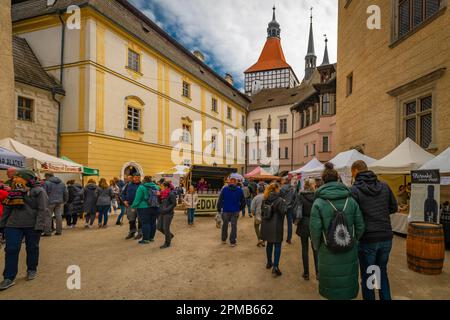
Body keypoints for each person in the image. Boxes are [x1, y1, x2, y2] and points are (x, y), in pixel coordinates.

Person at [310, 163, 365, 300]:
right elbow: (360, 226)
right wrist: (352, 239)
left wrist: (317, 247)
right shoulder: (351, 201)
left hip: (327, 250)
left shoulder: (318, 203)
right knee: (347, 286)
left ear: (323, 180)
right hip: (349, 249)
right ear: (338, 179)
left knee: (331, 289)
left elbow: (315, 231)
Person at [351, 160, 398, 301]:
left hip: (368, 239)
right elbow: (394, 207)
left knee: (369, 276)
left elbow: (353, 215)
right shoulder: (384, 186)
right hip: (385, 237)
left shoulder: (354, 190)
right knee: (381, 272)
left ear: (355, 171)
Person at [0, 170, 50, 291]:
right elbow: (7, 208)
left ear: (26, 179)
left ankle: (32, 269)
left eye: (17, 178)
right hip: (13, 224)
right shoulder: (13, 191)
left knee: (32, 248)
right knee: (11, 249)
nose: (14, 180)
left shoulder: (39, 191)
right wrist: (2, 225)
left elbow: (42, 209)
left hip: (32, 225)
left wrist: (40, 226)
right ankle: (9, 277)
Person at [260, 183, 287, 277]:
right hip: (276, 224)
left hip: (267, 224)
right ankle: (275, 267)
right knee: (277, 245)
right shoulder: (280, 200)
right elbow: (283, 211)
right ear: (276, 189)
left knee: (269, 244)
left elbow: (262, 211)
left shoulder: (265, 198)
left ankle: (269, 262)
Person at [295, 179, 319, 281]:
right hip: (314, 223)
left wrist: (296, 221)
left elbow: (298, 210)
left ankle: (306, 273)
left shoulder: (301, 195)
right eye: (314, 184)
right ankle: (318, 273)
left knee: (304, 249)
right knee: (315, 249)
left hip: (304, 223)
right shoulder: (317, 196)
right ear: (312, 185)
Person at [132, 176, 160, 244]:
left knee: (145, 223)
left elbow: (137, 198)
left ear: (144, 180)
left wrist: (133, 206)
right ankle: (151, 238)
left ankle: (145, 239)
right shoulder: (156, 187)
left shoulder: (141, 187)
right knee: (153, 223)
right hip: (155, 206)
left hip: (144, 207)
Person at [217, 177, 245, 247]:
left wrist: (219, 209)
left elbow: (220, 200)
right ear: (235, 182)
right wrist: (240, 208)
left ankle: (223, 240)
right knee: (234, 226)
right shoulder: (239, 190)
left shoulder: (225, 189)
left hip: (226, 210)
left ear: (229, 182)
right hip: (235, 211)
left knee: (225, 225)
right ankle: (232, 242)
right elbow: (243, 202)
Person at [122, 174, 143, 240]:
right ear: (133, 178)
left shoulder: (142, 185)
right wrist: (124, 200)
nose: (137, 178)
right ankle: (132, 232)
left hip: (140, 206)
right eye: (136, 177)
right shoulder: (128, 185)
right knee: (131, 220)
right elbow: (123, 193)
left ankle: (140, 233)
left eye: (138, 177)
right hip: (130, 205)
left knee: (140, 220)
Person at [157, 181, 176, 249]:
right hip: (161, 212)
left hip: (168, 213)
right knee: (159, 227)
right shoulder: (162, 193)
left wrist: (166, 210)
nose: (160, 187)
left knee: (165, 228)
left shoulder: (171, 194)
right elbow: (159, 202)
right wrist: (158, 196)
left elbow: (174, 204)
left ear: (166, 187)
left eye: (162, 186)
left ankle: (167, 243)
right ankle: (170, 235)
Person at [280, 177, 296, 245]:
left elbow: (279, 197)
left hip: (283, 207)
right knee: (289, 224)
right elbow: (295, 199)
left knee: (280, 223)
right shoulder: (293, 189)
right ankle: (289, 239)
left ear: (285, 181)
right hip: (290, 207)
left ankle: (279, 237)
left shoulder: (282, 188)